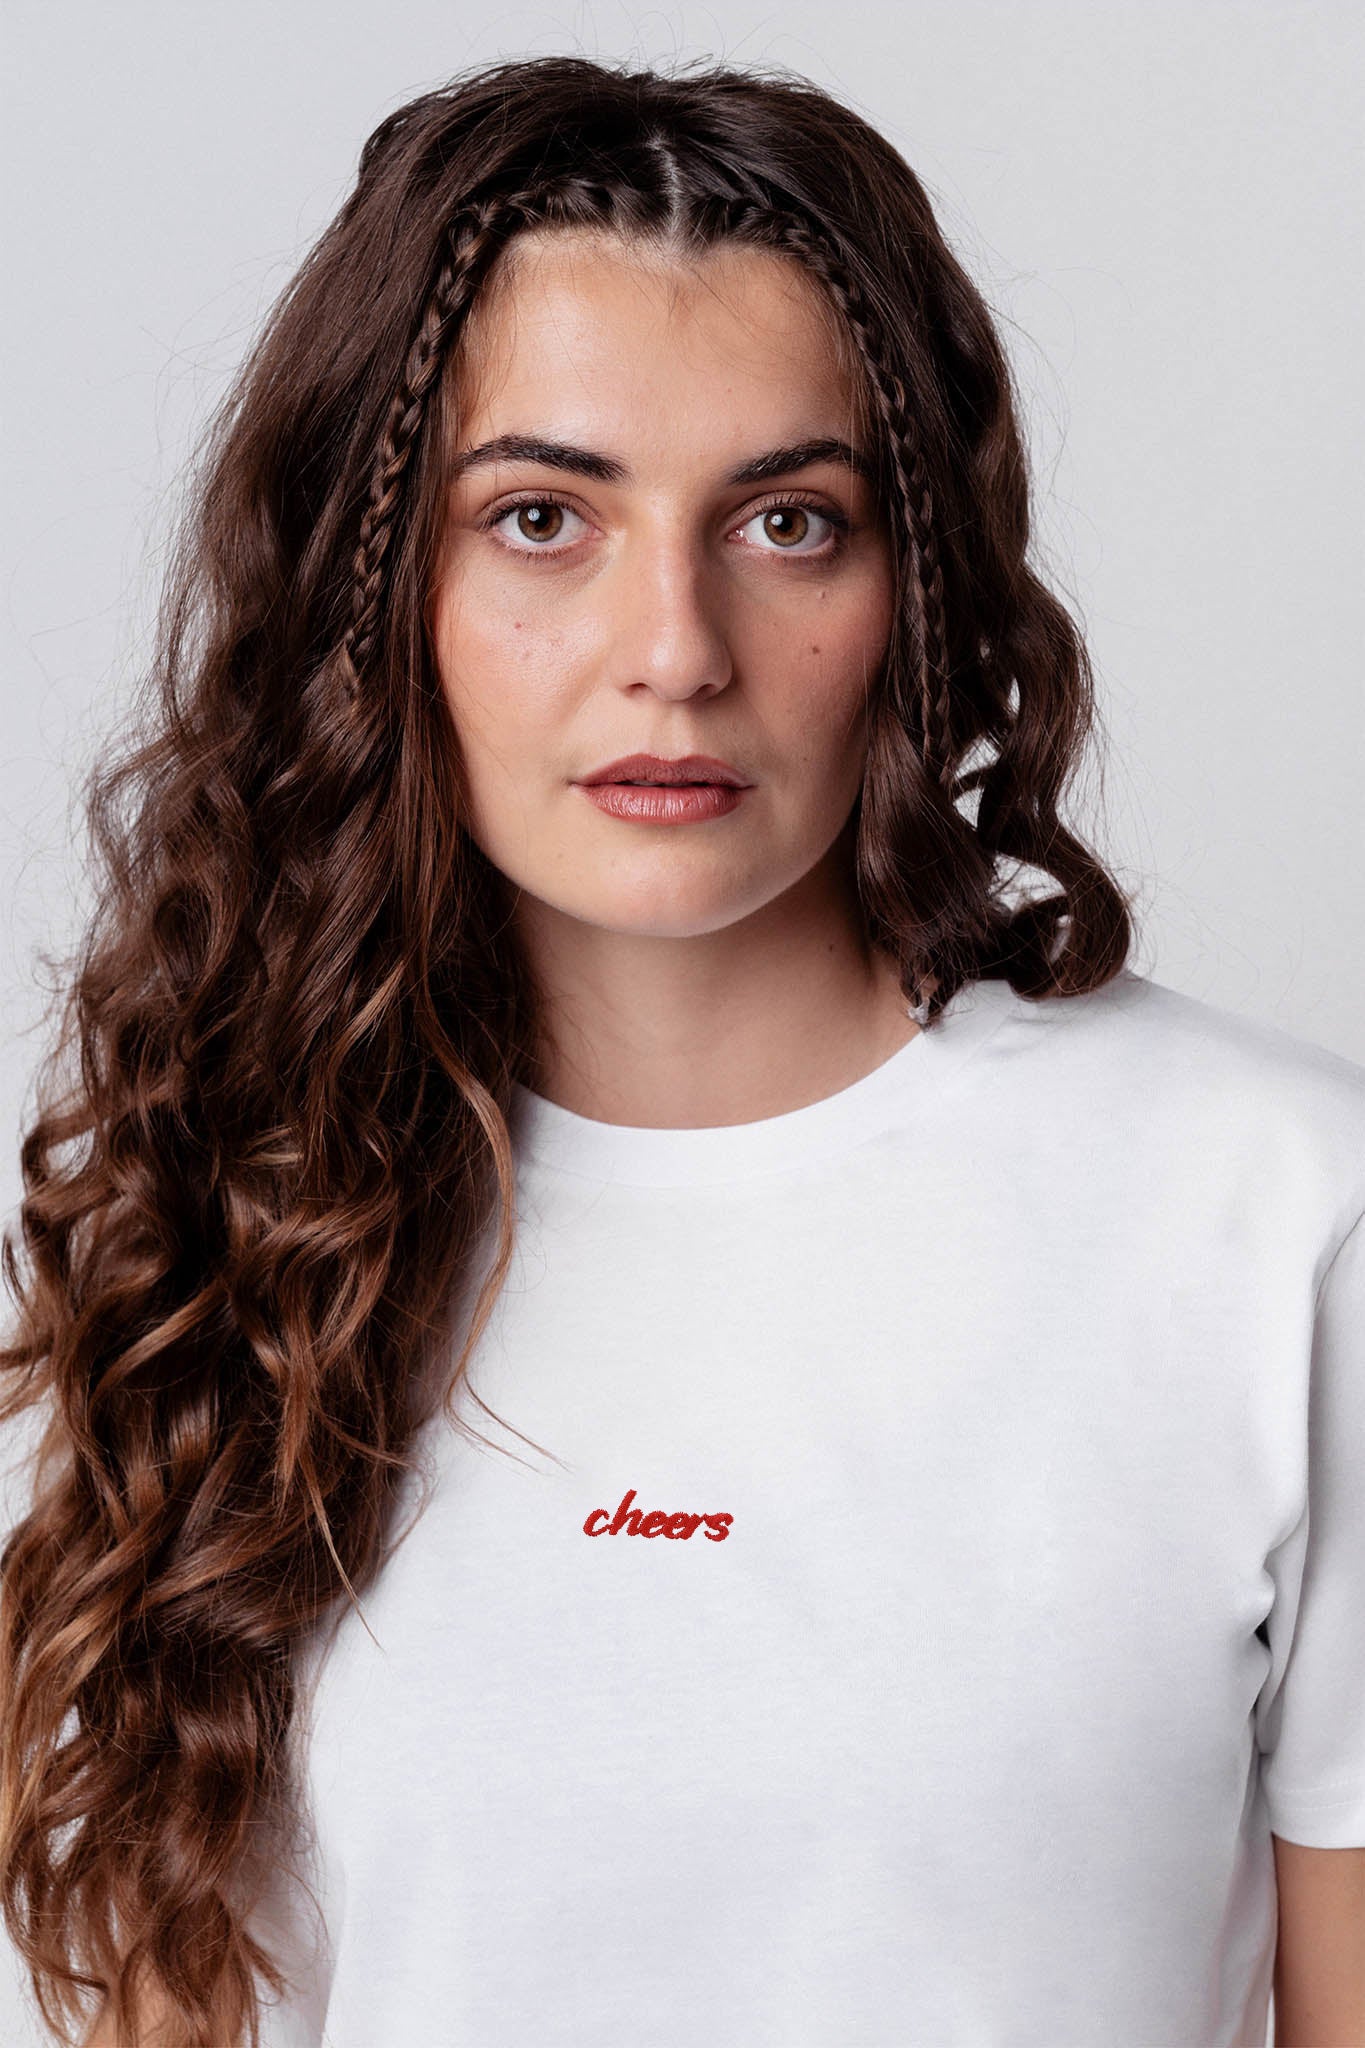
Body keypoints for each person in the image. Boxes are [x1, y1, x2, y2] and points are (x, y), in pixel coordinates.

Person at [1, 51, 1361, 2048]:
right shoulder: (224, 1221)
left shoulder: (1280, 1218)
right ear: (381, 587)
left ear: (915, 582)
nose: (674, 648)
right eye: (541, 517)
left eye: (787, 522)